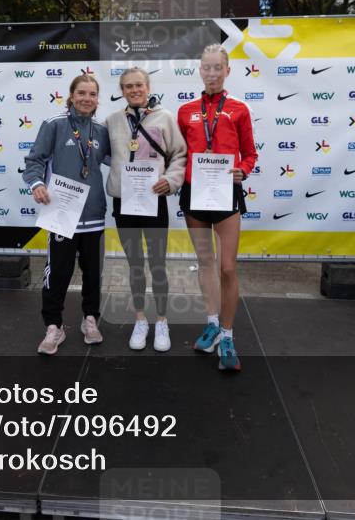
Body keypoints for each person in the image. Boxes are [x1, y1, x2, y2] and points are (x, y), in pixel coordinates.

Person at [177, 44, 258, 372]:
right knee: (205, 263)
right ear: (200, 71)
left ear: (227, 71)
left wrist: (244, 171)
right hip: (195, 194)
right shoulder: (186, 111)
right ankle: (212, 323)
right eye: (206, 68)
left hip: (226, 195)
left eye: (217, 68)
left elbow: (250, 153)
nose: (211, 73)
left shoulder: (239, 109)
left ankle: (227, 335)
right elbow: (181, 153)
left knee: (227, 268)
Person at [24, 74, 111, 355]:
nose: (87, 98)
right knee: (58, 273)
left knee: (93, 273)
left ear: (98, 98)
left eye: (92, 94)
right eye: (82, 93)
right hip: (62, 214)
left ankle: (90, 319)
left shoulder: (101, 130)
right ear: (71, 96)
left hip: (94, 213)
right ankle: (53, 326)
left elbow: (119, 161)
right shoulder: (55, 125)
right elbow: (34, 161)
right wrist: (37, 184)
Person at [105, 67, 187, 352]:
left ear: (148, 87)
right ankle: (141, 319)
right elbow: (104, 154)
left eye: (139, 84)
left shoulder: (165, 118)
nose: (134, 90)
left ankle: (162, 320)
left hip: (154, 201)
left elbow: (180, 154)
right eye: (128, 86)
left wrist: (170, 180)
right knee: (135, 264)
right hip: (124, 202)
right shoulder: (113, 121)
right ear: (122, 90)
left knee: (158, 263)